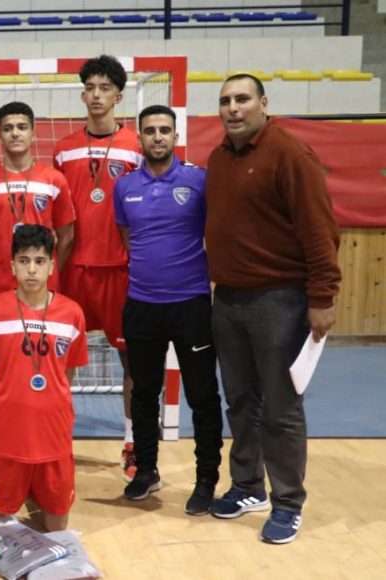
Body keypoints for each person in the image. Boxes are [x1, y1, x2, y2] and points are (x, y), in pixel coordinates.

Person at [205, 74, 341, 544]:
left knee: (281, 408)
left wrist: (322, 297)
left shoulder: (291, 155)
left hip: (280, 300)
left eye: (242, 99)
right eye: (225, 100)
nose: (232, 108)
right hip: (227, 299)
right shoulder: (218, 158)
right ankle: (248, 487)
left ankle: (287, 503)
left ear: (263, 103)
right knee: (241, 402)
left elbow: (320, 232)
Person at [113, 105, 223, 514]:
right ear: (139, 138)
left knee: (202, 395)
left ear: (176, 136)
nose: (157, 137)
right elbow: (128, 237)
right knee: (143, 392)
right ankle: (145, 471)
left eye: (164, 130)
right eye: (149, 131)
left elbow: (215, 230)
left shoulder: (199, 180)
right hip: (142, 305)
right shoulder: (125, 186)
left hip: (190, 304)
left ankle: (206, 480)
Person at [53, 55, 143, 480]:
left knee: (132, 363)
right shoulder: (63, 149)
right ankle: (55, 440)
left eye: (104, 88)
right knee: (59, 363)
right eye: (89, 87)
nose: (96, 95)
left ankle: (133, 442)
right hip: (72, 269)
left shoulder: (136, 147)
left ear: (118, 97)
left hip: (120, 270)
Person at [0, 225, 88, 532]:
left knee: (56, 528)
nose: (32, 269)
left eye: (39, 261)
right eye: (24, 261)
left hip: (53, 438)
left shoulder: (73, 314)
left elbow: (67, 373)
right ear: (12, 266)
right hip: (4, 438)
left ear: (51, 266)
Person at [0, 101, 76, 301]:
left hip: (43, 285)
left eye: (22, 127)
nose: (15, 133)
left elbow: (66, 237)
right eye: (8, 128)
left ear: (33, 134)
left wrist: (48, 271)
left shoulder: (54, 180)